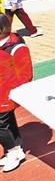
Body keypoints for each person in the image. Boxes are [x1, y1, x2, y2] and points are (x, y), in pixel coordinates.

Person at [0, 15, 32, 172]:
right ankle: (15, 148)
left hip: (6, 93)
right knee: (8, 122)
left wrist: (11, 92)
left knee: (1, 125)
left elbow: (25, 74)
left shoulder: (16, 47)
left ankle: (14, 153)